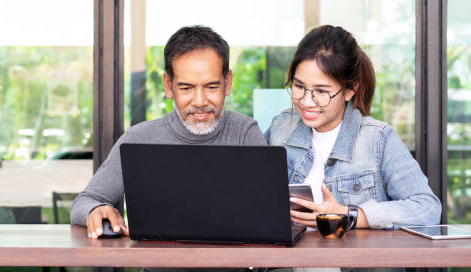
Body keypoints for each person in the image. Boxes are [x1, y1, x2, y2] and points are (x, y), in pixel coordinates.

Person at [71, 25, 267, 238]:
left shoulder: (246, 133)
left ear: (227, 82)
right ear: (168, 85)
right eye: (186, 88)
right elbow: (84, 201)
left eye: (211, 87)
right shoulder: (139, 139)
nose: (200, 101)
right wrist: (95, 210)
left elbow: (269, 210)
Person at [265, 25, 441, 230]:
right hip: (289, 259)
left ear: (350, 90)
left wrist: (348, 215)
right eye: (299, 86)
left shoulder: (378, 139)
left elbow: (428, 208)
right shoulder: (281, 127)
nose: (306, 101)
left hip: (351, 261)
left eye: (321, 91)